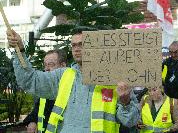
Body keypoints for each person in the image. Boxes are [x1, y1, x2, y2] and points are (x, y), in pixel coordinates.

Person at [7, 29, 140, 133]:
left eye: (82, 44)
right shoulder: (63, 75)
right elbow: (30, 80)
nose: (77, 48)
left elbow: (131, 121)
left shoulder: (116, 79)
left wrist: (126, 102)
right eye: (74, 45)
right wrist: (20, 50)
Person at [23, 49, 67, 133]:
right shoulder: (45, 88)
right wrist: (32, 121)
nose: (46, 69)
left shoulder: (73, 88)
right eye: (45, 65)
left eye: (51, 65)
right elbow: (38, 109)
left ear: (63, 66)